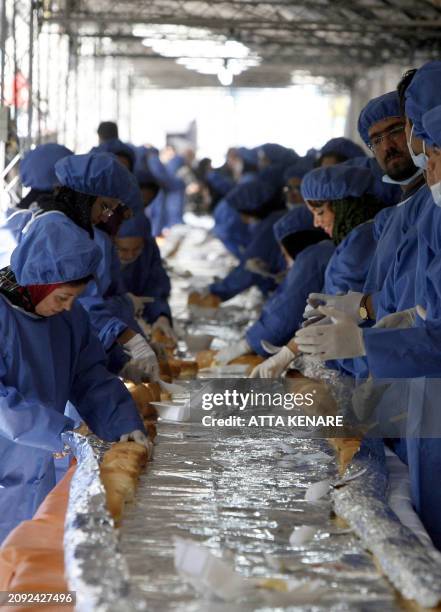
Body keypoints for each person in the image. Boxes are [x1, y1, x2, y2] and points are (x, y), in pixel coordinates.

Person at [0, 212, 148, 543]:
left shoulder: (69, 319)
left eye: (74, 298)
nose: (68, 307)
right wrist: (65, 431)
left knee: (31, 561)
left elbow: (90, 376)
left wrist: (125, 424)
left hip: (39, 465)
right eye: (62, 297)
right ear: (39, 283)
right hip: (9, 456)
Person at [251, 164, 385, 378]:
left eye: (320, 212)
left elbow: (339, 310)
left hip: (360, 360)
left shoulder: (361, 242)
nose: (316, 222)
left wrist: (288, 352)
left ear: (343, 206)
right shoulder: (353, 239)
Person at [53, 153, 159, 381]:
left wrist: (120, 360)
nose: (105, 216)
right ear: (85, 197)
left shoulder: (83, 234)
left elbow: (94, 306)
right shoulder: (61, 234)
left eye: (111, 209)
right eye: (104, 206)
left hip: (76, 350)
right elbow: (85, 305)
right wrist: (129, 337)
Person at [215, 205, 331, 364]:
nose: (284, 258)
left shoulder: (314, 257)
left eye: (285, 253)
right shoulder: (324, 252)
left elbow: (287, 309)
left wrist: (250, 343)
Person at [195, 175, 287, 306]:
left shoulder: (271, 227)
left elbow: (249, 269)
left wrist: (216, 291)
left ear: (252, 208)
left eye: (241, 212)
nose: (241, 217)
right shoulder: (273, 220)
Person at [114, 212, 175, 341]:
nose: (130, 255)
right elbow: (95, 305)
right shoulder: (100, 258)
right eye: (123, 250)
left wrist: (161, 316)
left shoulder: (149, 249)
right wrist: (124, 304)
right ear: (112, 242)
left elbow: (156, 287)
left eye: (137, 249)